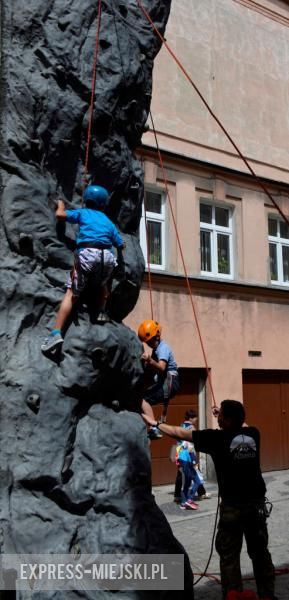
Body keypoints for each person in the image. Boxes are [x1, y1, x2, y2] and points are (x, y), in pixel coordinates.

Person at [142, 400, 276, 600]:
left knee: (229, 556)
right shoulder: (253, 434)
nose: (218, 417)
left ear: (226, 419)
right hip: (255, 507)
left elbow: (179, 433)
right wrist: (224, 415)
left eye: (221, 415)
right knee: (260, 554)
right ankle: (267, 595)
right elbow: (242, 424)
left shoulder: (216, 438)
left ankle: (233, 596)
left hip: (233, 508)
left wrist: (155, 423)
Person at [41, 185, 125, 354]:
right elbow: (120, 243)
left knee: (71, 294)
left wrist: (61, 204)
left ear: (86, 200)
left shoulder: (83, 213)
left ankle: (56, 333)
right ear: (103, 204)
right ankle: (101, 311)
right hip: (107, 257)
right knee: (103, 283)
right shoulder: (108, 222)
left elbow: (60, 215)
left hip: (88, 253)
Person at [138, 319, 180, 440]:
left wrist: (150, 360)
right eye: (147, 343)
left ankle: (153, 428)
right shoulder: (157, 349)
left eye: (150, 342)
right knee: (143, 399)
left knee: (142, 399)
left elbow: (161, 367)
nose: (149, 345)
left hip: (171, 381)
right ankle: (153, 427)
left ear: (157, 336)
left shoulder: (163, 348)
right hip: (168, 382)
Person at [174, 409, 211, 502]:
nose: (196, 419)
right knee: (196, 473)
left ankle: (177, 495)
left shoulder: (181, 426)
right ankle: (201, 493)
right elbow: (194, 441)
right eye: (195, 417)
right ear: (190, 418)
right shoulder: (192, 428)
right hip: (189, 454)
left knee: (180, 474)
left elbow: (178, 441)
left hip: (180, 453)